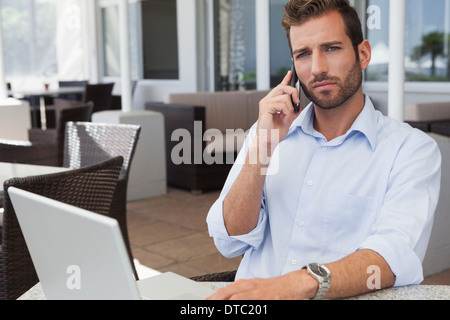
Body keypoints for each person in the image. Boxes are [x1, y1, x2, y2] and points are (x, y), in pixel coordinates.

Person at [206, 0, 441, 300]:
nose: (317, 68)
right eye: (303, 54)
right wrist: (263, 147)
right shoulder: (266, 136)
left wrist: (293, 285)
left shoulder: (411, 151)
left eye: (331, 48)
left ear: (363, 53)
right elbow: (230, 241)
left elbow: (392, 257)